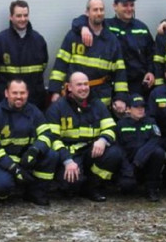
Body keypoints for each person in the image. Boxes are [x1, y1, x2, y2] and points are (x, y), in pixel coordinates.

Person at [44, 71, 122, 202]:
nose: (83, 88)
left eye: (86, 84)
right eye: (79, 85)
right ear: (69, 87)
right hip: (70, 155)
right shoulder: (57, 108)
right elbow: (53, 139)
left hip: (91, 151)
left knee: (114, 153)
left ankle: (92, 186)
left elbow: (111, 128)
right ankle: (76, 184)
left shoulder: (97, 104)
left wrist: (103, 140)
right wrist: (67, 161)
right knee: (70, 185)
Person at [48, 0, 130, 111]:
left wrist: (121, 98)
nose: (99, 13)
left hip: (101, 97)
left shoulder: (112, 40)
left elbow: (120, 73)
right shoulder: (74, 36)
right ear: (87, 12)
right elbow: (60, 66)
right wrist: (55, 91)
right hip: (74, 96)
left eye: (101, 10)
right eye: (95, 10)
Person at [0, 79, 58, 205]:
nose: (19, 97)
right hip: (5, 161)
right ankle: (2, 195)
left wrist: (34, 150)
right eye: (14, 93)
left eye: (22, 93)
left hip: (28, 158)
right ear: (6, 93)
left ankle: (36, 193)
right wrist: (13, 168)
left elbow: (47, 134)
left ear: (27, 94)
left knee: (51, 155)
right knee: (1, 186)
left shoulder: (34, 111)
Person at [73, 0, 155, 99]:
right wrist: (83, 27)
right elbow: (81, 19)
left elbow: (151, 53)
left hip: (138, 85)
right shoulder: (106, 25)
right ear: (115, 6)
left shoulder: (142, 28)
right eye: (125, 5)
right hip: (113, 84)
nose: (129, 9)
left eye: (132, 5)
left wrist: (150, 72)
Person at [0, 0, 49, 108]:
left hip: (33, 102)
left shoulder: (38, 40)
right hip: (6, 103)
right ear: (11, 17)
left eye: (25, 15)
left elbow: (43, 66)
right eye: (18, 16)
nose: (23, 19)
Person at [115, 95, 165, 202]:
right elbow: (118, 148)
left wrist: (140, 158)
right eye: (136, 107)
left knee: (158, 153)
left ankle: (151, 189)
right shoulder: (121, 125)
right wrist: (127, 167)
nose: (141, 109)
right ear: (128, 109)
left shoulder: (151, 122)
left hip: (145, 162)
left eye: (142, 107)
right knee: (126, 187)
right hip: (129, 165)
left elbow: (155, 140)